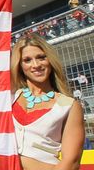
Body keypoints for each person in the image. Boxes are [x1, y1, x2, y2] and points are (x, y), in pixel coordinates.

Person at [11, 34, 84, 169]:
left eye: (41, 57)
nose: (36, 65)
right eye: (27, 60)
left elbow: (71, 162)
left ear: (50, 60)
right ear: (20, 66)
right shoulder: (9, 98)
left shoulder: (69, 105)